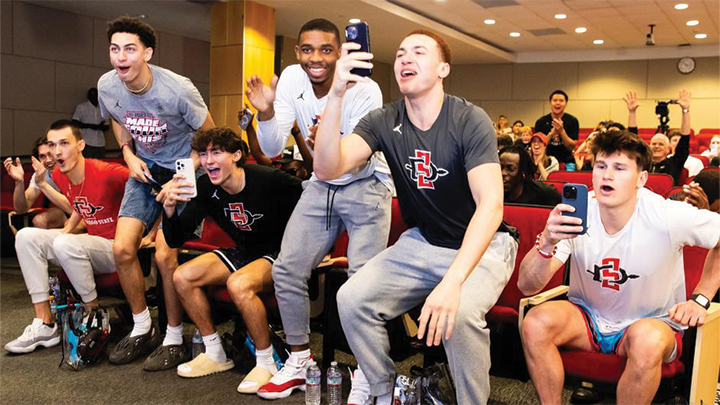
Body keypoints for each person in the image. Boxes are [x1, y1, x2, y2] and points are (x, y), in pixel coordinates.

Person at [314, 29, 518, 405]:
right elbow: (327, 167)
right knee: (351, 298)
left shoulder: (469, 119)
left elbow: (491, 206)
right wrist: (337, 93)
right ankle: (381, 391)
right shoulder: (382, 119)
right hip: (423, 242)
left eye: (419, 52)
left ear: (443, 68)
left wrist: (451, 284)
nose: (405, 58)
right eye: (401, 52)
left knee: (463, 312)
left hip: (484, 244)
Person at [245, 18, 393, 400]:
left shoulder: (366, 88)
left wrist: (328, 143)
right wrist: (264, 113)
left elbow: (357, 159)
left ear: (340, 52)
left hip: (366, 183)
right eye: (307, 49)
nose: (317, 59)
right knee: (287, 269)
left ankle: (367, 372)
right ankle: (299, 361)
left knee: (361, 285)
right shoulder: (293, 79)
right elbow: (274, 147)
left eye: (326, 50)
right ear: (297, 52)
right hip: (322, 184)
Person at [518, 129, 720, 405]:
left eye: (619, 167)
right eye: (600, 166)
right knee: (535, 323)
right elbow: (527, 286)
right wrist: (548, 242)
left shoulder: (666, 215)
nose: (606, 175)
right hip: (587, 317)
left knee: (647, 341)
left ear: (641, 179)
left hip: (650, 322)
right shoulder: (578, 212)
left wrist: (701, 298)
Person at [97, 16, 215, 369]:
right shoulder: (107, 85)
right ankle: (141, 327)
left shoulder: (177, 89)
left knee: (165, 256)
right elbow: (117, 118)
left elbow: (210, 139)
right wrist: (128, 153)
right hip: (144, 171)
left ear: (147, 53)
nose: (121, 57)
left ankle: (174, 337)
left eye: (130, 49)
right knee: (122, 248)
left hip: (184, 170)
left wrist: (181, 177)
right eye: (115, 49)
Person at [161, 127, 302, 392]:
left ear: (237, 155)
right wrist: (168, 208)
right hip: (247, 251)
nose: (208, 161)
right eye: (203, 154)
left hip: (282, 253)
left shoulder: (269, 179)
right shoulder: (205, 186)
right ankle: (214, 352)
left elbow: (312, 198)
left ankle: (267, 362)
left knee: (238, 283)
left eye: (217, 152)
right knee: (182, 276)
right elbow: (176, 240)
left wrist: (318, 247)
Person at [4, 120, 128, 354]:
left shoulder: (106, 171)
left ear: (80, 145)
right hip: (89, 242)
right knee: (27, 236)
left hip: (116, 247)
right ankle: (44, 323)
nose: (56, 151)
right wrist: (65, 231)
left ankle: (93, 316)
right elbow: (79, 207)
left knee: (63, 241)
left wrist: (150, 234)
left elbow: (150, 191)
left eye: (63, 143)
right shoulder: (60, 176)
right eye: (52, 145)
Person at [3, 137, 72, 229]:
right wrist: (19, 182)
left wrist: (42, 184)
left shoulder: (73, 168)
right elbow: (21, 209)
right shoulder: (41, 173)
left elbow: (74, 209)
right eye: (42, 156)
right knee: (39, 221)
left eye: (50, 154)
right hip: (65, 212)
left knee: (71, 225)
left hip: (88, 214)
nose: (48, 160)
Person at [625, 89, 691, 186]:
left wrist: (685, 111)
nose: (656, 146)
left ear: (668, 149)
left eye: (661, 144)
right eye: (654, 144)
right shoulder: (642, 162)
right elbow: (632, 138)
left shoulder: (675, 163)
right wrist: (632, 112)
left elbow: (685, 139)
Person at [534, 90, 579, 164]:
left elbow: (571, 147)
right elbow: (538, 146)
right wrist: (551, 134)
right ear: (550, 103)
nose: (558, 103)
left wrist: (562, 131)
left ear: (566, 104)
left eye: (561, 101)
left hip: (567, 162)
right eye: (555, 100)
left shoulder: (572, 121)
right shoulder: (541, 121)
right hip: (546, 161)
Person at [72, 87, 109, 158]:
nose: (94, 97)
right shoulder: (82, 107)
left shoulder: (102, 109)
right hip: (86, 142)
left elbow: (107, 126)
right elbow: (74, 123)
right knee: (86, 165)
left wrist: (99, 127)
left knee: (100, 166)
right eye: (92, 95)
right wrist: (91, 126)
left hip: (100, 143)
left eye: (95, 95)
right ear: (88, 96)